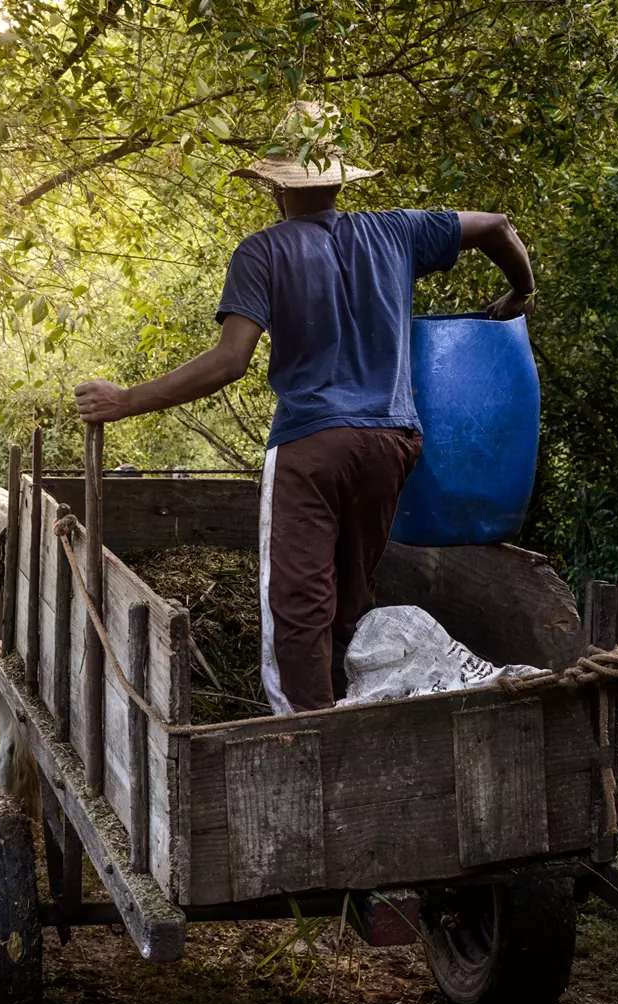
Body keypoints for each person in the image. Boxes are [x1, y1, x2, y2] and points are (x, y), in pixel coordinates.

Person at [73, 102, 536, 714]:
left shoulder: (262, 253)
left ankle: (305, 735)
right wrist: (520, 291)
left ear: (274, 187)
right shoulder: (397, 231)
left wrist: (125, 401)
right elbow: (497, 226)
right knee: (350, 595)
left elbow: (230, 360)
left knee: (296, 604)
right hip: (390, 445)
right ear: (340, 179)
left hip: (310, 448)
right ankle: (352, 709)